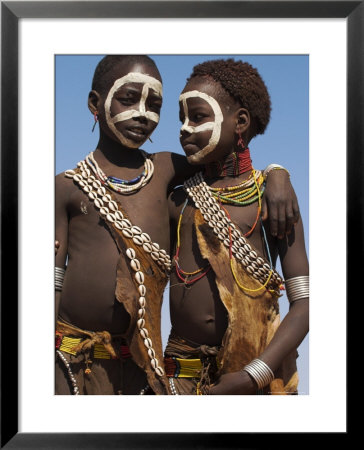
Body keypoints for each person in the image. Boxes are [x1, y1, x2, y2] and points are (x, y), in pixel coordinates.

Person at [55, 55, 299, 395]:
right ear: (95, 103)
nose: (143, 113)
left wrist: (277, 172)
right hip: (95, 368)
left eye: (155, 105)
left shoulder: (170, 173)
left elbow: (225, 159)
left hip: (183, 372)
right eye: (129, 98)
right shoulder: (73, 187)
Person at [165, 58, 309, 395]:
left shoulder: (273, 200)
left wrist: (253, 374)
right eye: (181, 119)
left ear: (240, 121)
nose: (184, 128)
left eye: (198, 117)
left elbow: (304, 302)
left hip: (254, 377)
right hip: (179, 378)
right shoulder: (177, 201)